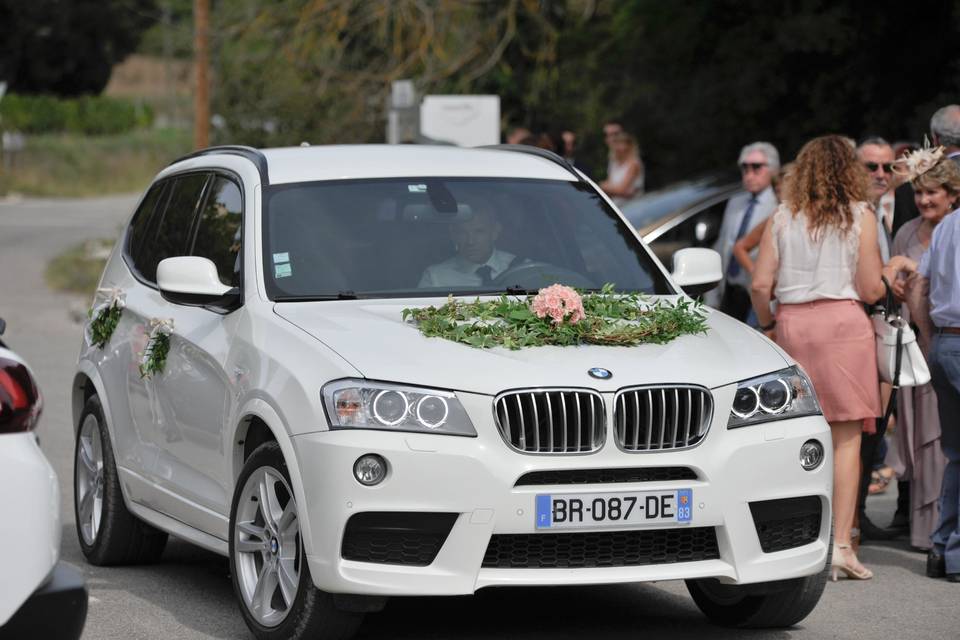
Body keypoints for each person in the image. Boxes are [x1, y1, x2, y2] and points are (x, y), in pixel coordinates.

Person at [750, 135, 915, 581]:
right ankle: (841, 545)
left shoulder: (782, 216)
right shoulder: (860, 216)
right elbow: (870, 290)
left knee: (791, 436)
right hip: (843, 328)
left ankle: (791, 539)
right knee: (845, 443)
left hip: (792, 327)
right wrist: (886, 271)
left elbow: (761, 285)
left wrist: (768, 325)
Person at [889, 155, 960, 551]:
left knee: (952, 452)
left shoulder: (946, 228)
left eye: (931, 191)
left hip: (939, 342)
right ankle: (946, 546)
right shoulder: (918, 231)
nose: (923, 200)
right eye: (918, 192)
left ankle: (941, 544)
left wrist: (932, 338)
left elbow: (920, 289)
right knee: (941, 449)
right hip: (941, 344)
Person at [713, 142, 779, 323]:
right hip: (731, 289)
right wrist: (712, 293)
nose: (749, 175)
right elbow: (723, 244)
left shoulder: (778, 204)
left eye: (757, 168)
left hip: (760, 292)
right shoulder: (736, 201)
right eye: (745, 168)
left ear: (773, 170)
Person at [418, 204, 517, 288]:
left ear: (495, 232)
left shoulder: (521, 268)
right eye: (462, 233)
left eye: (479, 231)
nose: (470, 241)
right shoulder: (435, 277)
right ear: (453, 234)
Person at [599, 131, 644, 205]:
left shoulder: (634, 163)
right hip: (618, 205)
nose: (618, 148)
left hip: (634, 205)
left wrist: (602, 186)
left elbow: (622, 190)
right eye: (616, 144)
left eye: (621, 144)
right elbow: (612, 185)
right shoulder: (614, 164)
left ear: (629, 146)